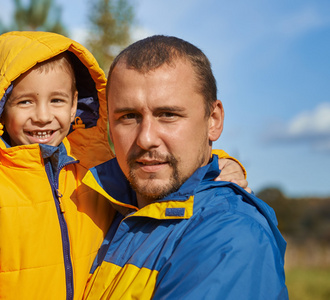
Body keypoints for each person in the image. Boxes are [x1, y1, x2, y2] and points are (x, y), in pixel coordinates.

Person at [0, 31, 248, 299]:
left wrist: (223, 163)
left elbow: (162, 173)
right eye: (25, 102)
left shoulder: (93, 171)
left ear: (76, 105)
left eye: (57, 100)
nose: (42, 115)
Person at [82, 35, 288, 299]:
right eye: (128, 116)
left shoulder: (230, 236)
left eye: (168, 115)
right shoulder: (99, 205)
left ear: (213, 120)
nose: (146, 138)